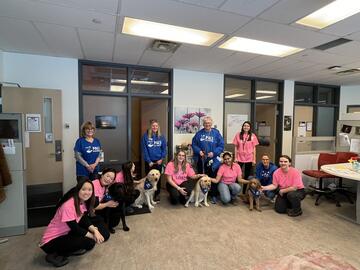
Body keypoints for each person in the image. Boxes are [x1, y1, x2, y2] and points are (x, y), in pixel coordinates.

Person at [39, 179, 109, 267]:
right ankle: (54, 254)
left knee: (90, 243)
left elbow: (83, 218)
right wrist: (93, 236)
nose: (87, 192)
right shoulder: (68, 205)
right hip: (50, 241)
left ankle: (67, 249)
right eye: (84, 189)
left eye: (89, 190)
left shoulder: (82, 201)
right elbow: (75, 228)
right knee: (88, 242)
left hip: (66, 233)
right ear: (78, 190)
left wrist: (95, 231)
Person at [192, 116, 224, 203]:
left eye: (209, 123)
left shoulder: (216, 133)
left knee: (212, 177)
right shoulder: (199, 134)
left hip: (213, 160)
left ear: (211, 124)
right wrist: (199, 151)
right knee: (202, 178)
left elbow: (221, 146)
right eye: (206, 123)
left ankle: (213, 195)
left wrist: (214, 153)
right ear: (203, 124)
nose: (207, 125)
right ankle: (202, 195)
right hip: (202, 159)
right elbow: (194, 144)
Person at [141, 119, 167, 201]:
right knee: (149, 178)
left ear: (158, 127)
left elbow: (164, 149)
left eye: (156, 126)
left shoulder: (161, 137)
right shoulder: (145, 136)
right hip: (149, 162)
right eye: (153, 126)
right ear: (150, 126)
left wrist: (161, 159)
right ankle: (148, 194)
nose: (154, 127)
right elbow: (144, 150)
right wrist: (149, 161)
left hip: (158, 161)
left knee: (157, 178)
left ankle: (157, 194)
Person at [92, 168, 122, 233]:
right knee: (105, 234)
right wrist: (108, 204)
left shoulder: (104, 186)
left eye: (111, 179)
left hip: (98, 209)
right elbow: (94, 206)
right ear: (102, 175)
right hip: (90, 212)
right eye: (107, 176)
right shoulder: (94, 185)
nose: (108, 179)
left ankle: (109, 224)